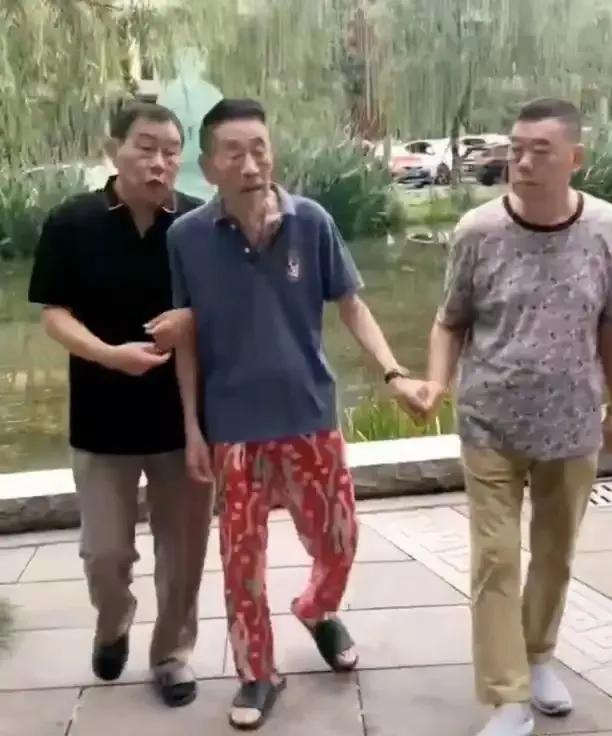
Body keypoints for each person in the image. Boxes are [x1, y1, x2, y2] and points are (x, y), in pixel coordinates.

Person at [160, 97, 428, 729]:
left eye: (259, 148)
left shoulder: (312, 221)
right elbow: (185, 336)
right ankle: (257, 673)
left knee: (339, 540)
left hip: (310, 414)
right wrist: (192, 428)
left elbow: (351, 304)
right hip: (234, 428)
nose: (250, 164)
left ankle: (316, 608)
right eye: (233, 153)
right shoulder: (187, 237)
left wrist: (393, 373)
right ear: (208, 165)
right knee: (241, 564)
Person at [420, 98, 612, 736]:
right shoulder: (477, 231)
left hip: (572, 423)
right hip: (490, 421)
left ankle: (538, 655)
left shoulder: (608, 229)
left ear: (575, 158)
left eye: (541, 150)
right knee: (494, 558)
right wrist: (436, 383)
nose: (523, 161)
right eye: (515, 149)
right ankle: (507, 695)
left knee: (553, 554)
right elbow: (449, 321)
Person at [28, 102, 214, 708]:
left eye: (171, 151)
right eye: (146, 147)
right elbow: (54, 314)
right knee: (104, 553)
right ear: (113, 151)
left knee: (183, 554)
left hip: (183, 420)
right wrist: (109, 355)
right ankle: (113, 624)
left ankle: (172, 654)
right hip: (101, 418)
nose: (159, 162)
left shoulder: (199, 223)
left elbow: (229, 306)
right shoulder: (72, 221)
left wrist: (193, 319)